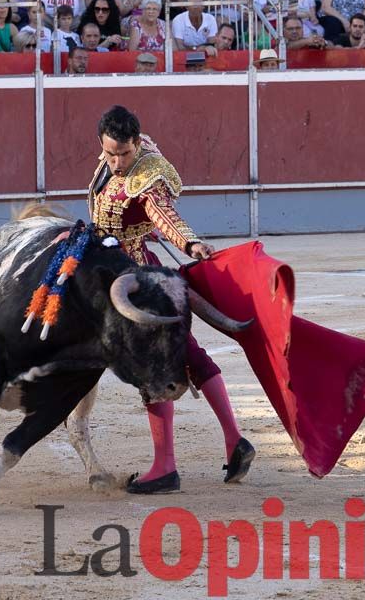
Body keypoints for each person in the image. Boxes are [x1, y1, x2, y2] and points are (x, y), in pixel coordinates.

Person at [89, 105, 253, 493]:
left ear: (136, 143)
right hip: (116, 271)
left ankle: (165, 466)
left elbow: (163, 215)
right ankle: (235, 440)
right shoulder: (110, 158)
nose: (116, 162)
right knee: (191, 354)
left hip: (139, 282)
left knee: (152, 366)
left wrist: (190, 243)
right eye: (110, 153)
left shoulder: (148, 174)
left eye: (124, 154)